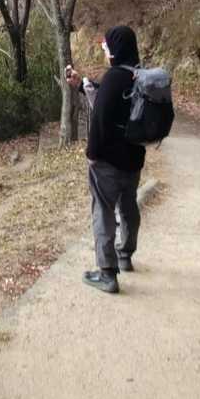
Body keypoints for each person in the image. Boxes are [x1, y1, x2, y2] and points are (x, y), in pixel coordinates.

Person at [64, 25, 145, 295]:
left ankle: (107, 274)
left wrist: (92, 155)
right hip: (133, 160)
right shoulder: (139, 76)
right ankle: (125, 255)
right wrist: (81, 85)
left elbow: (100, 118)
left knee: (103, 211)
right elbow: (109, 99)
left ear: (115, 49)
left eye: (106, 47)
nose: (105, 51)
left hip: (107, 162)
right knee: (128, 207)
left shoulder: (114, 78)